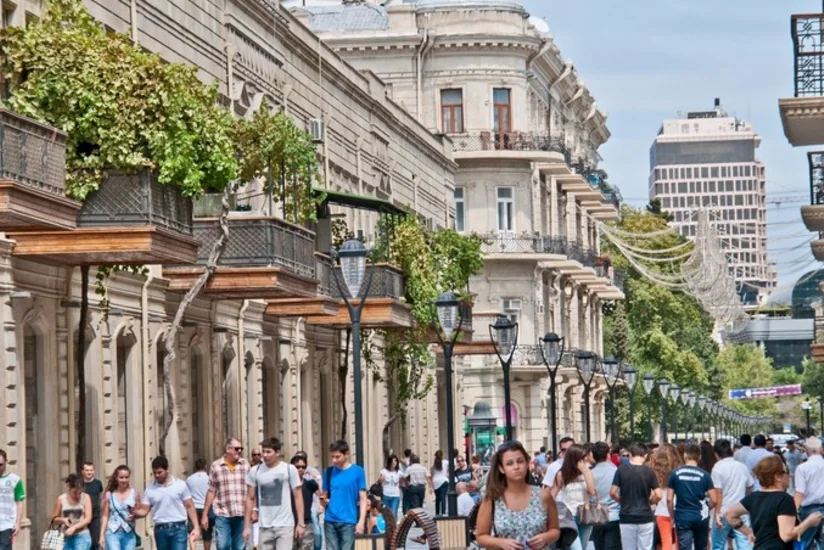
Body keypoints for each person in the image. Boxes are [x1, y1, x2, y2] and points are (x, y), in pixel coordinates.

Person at [725, 455, 823, 550]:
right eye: (786, 471)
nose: (789, 475)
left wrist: (748, 532)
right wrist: (809, 522)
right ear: (778, 477)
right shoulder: (784, 499)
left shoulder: (753, 497)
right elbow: (786, 535)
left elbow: (729, 514)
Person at [476, 441, 560, 549]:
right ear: (501, 468)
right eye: (509, 463)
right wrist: (500, 543)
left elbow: (555, 529)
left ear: (527, 463)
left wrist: (546, 537)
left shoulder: (543, 495)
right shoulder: (493, 498)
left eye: (520, 461)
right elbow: (481, 536)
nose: (516, 467)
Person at [243, 437, 304, 550]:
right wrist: (247, 526)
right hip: (264, 525)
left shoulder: (289, 469)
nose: (264, 455)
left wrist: (300, 523)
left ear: (277, 453)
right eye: (263, 451)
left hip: (285, 525)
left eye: (268, 452)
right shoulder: (255, 471)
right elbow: (250, 498)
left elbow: (298, 496)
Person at [135, 456, 200, 550]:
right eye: (154, 473)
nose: (157, 475)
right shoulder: (150, 490)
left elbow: (190, 506)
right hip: (161, 530)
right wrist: (134, 512)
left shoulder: (180, 485)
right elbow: (144, 511)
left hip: (179, 528)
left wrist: (196, 527)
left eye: (159, 472)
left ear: (167, 470)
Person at [610, 443, 661, 550]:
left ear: (630, 454)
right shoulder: (649, 472)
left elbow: (613, 492)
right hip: (645, 516)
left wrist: (621, 501)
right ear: (645, 455)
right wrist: (650, 501)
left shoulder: (621, 470)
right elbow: (659, 495)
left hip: (626, 516)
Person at [202, 438, 250, 550]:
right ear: (228, 449)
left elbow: (251, 490)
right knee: (222, 545)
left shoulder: (245, 465)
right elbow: (211, 490)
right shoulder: (216, 466)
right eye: (237, 448)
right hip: (223, 513)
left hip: (241, 513)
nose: (240, 451)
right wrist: (205, 514)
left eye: (241, 449)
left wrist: (254, 510)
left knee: (239, 547)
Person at [319, 440, 367, 550]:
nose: (334, 460)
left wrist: (361, 522)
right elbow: (325, 495)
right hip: (330, 520)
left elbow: (363, 498)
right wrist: (323, 502)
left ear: (346, 454)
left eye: (337, 457)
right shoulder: (328, 472)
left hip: (348, 521)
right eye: (332, 457)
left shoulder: (358, 471)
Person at [667, 443, 717, 550]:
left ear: (685, 455)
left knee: (684, 547)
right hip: (700, 516)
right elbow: (715, 499)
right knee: (701, 546)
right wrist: (707, 508)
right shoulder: (705, 475)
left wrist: (672, 516)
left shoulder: (675, 473)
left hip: (682, 516)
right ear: (699, 457)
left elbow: (669, 499)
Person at [550, 444, 598, 550]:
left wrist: (585, 472)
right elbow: (552, 494)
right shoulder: (561, 474)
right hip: (568, 517)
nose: (585, 459)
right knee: (576, 548)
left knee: (583, 546)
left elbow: (592, 491)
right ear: (575, 458)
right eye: (582, 457)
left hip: (584, 515)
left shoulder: (587, 472)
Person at [710, 439, 754, 550]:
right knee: (744, 543)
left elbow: (718, 492)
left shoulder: (717, 468)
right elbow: (749, 487)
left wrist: (717, 513)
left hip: (724, 511)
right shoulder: (741, 466)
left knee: (718, 545)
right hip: (740, 510)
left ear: (716, 454)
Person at [649, 443, 683, 550]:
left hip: (662, 511)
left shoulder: (654, 471)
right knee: (679, 543)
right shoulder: (680, 470)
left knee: (666, 543)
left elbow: (653, 494)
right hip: (679, 509)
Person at [99, 465, 140, 550]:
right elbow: (105, 516)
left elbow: (139, 512)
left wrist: (135, 514)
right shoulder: (109, 494)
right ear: (116, 478)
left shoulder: (134, 494)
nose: (124, 480)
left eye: (126, 477)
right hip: (112, 532)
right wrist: (101, 535)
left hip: (129, 532)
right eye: (121, 477)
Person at [793, 437, 824, 550]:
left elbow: (800, 492)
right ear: (821, 449)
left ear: (806, 450)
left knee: (804, 542)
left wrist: (793, 511)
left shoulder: (802, 468)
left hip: (808, 511)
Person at [590, 442, 621, 550]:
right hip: (614, 515)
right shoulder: (616, 471)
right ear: (608, 454)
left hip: (596, 516)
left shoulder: (590, 474)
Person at [54, 474, 94, 550]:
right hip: (66, 537)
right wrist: (63, 520)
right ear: (69, 487)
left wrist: (74, 528)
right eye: (74, 492)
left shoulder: (86, 497)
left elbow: (88, 518)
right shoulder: (61, 499)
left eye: (80, 492)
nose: (77, 495)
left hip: (82, 535)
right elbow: (54, 519)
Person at [291, 455, 319, 550]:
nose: (300, 469)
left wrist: (317, 477)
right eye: (297, 467)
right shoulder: (287, 484)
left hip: (306, 523)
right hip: (290, 524)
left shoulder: (310, 484)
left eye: (303, 467)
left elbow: (322, 494)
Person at [187, 458, 214, 550]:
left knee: (192, 531)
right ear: (205, 466)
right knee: (207, 533)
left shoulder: (189, 479)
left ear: (195, 467)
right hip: (206, 508)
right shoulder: (209, 478)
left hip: (193, 508)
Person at [0, 449, 24, 550]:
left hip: (7, 524)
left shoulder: (15, 480)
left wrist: (18, 523)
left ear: (6, 461)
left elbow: (19, 502)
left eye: (0, 464)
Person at [82, 462, 105, 550]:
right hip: (82, 516)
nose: (89, 472)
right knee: (83, 541)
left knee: (95, 541)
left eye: (91, 470)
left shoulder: (98, 483)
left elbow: (101, 497)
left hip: (95, 515)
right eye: (87, 470)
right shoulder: (80, 484)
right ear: (82, 472)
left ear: (94, 471)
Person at [430, 450, 449, 515]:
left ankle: (437, 513)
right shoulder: (446, 462)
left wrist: (431, 486)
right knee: (443, 497)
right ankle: (443, 513)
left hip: (436, 482)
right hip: (444, 481)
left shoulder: (433, 465)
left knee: (437, 499)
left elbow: (431, 475)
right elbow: (452, 468)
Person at [400, 449, 412, 514]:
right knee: (409, 497)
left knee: (404, 497)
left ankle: (404, 511)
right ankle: (408, 511)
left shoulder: (400, 462)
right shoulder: (411, 462)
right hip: (409, 481)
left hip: (402, 481)